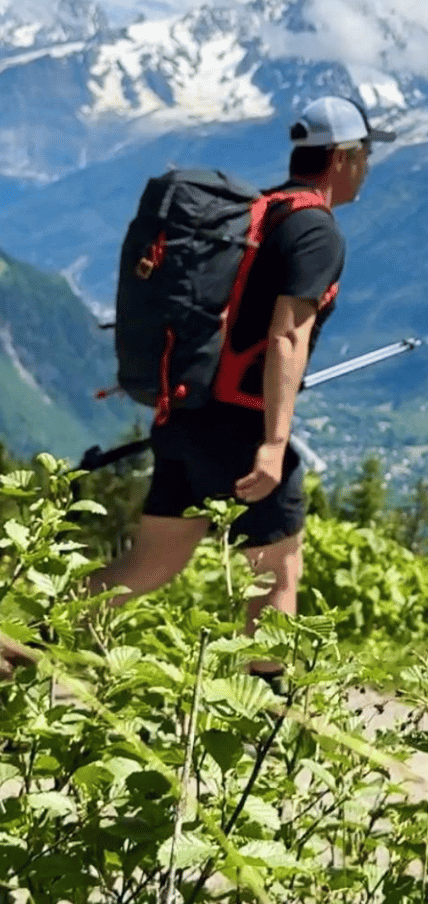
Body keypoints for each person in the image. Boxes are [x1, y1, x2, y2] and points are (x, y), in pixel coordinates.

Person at [86, 95, 396, 683]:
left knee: (153, 561)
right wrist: (274, 444)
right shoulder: (314, 231)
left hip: (185, 411)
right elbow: (287, 336)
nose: (368, 167)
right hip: (239, 426)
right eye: (367, 154)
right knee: (277, 572)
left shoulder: (263, 211)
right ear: (344, 158)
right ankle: (262, 726)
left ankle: (33, 635)